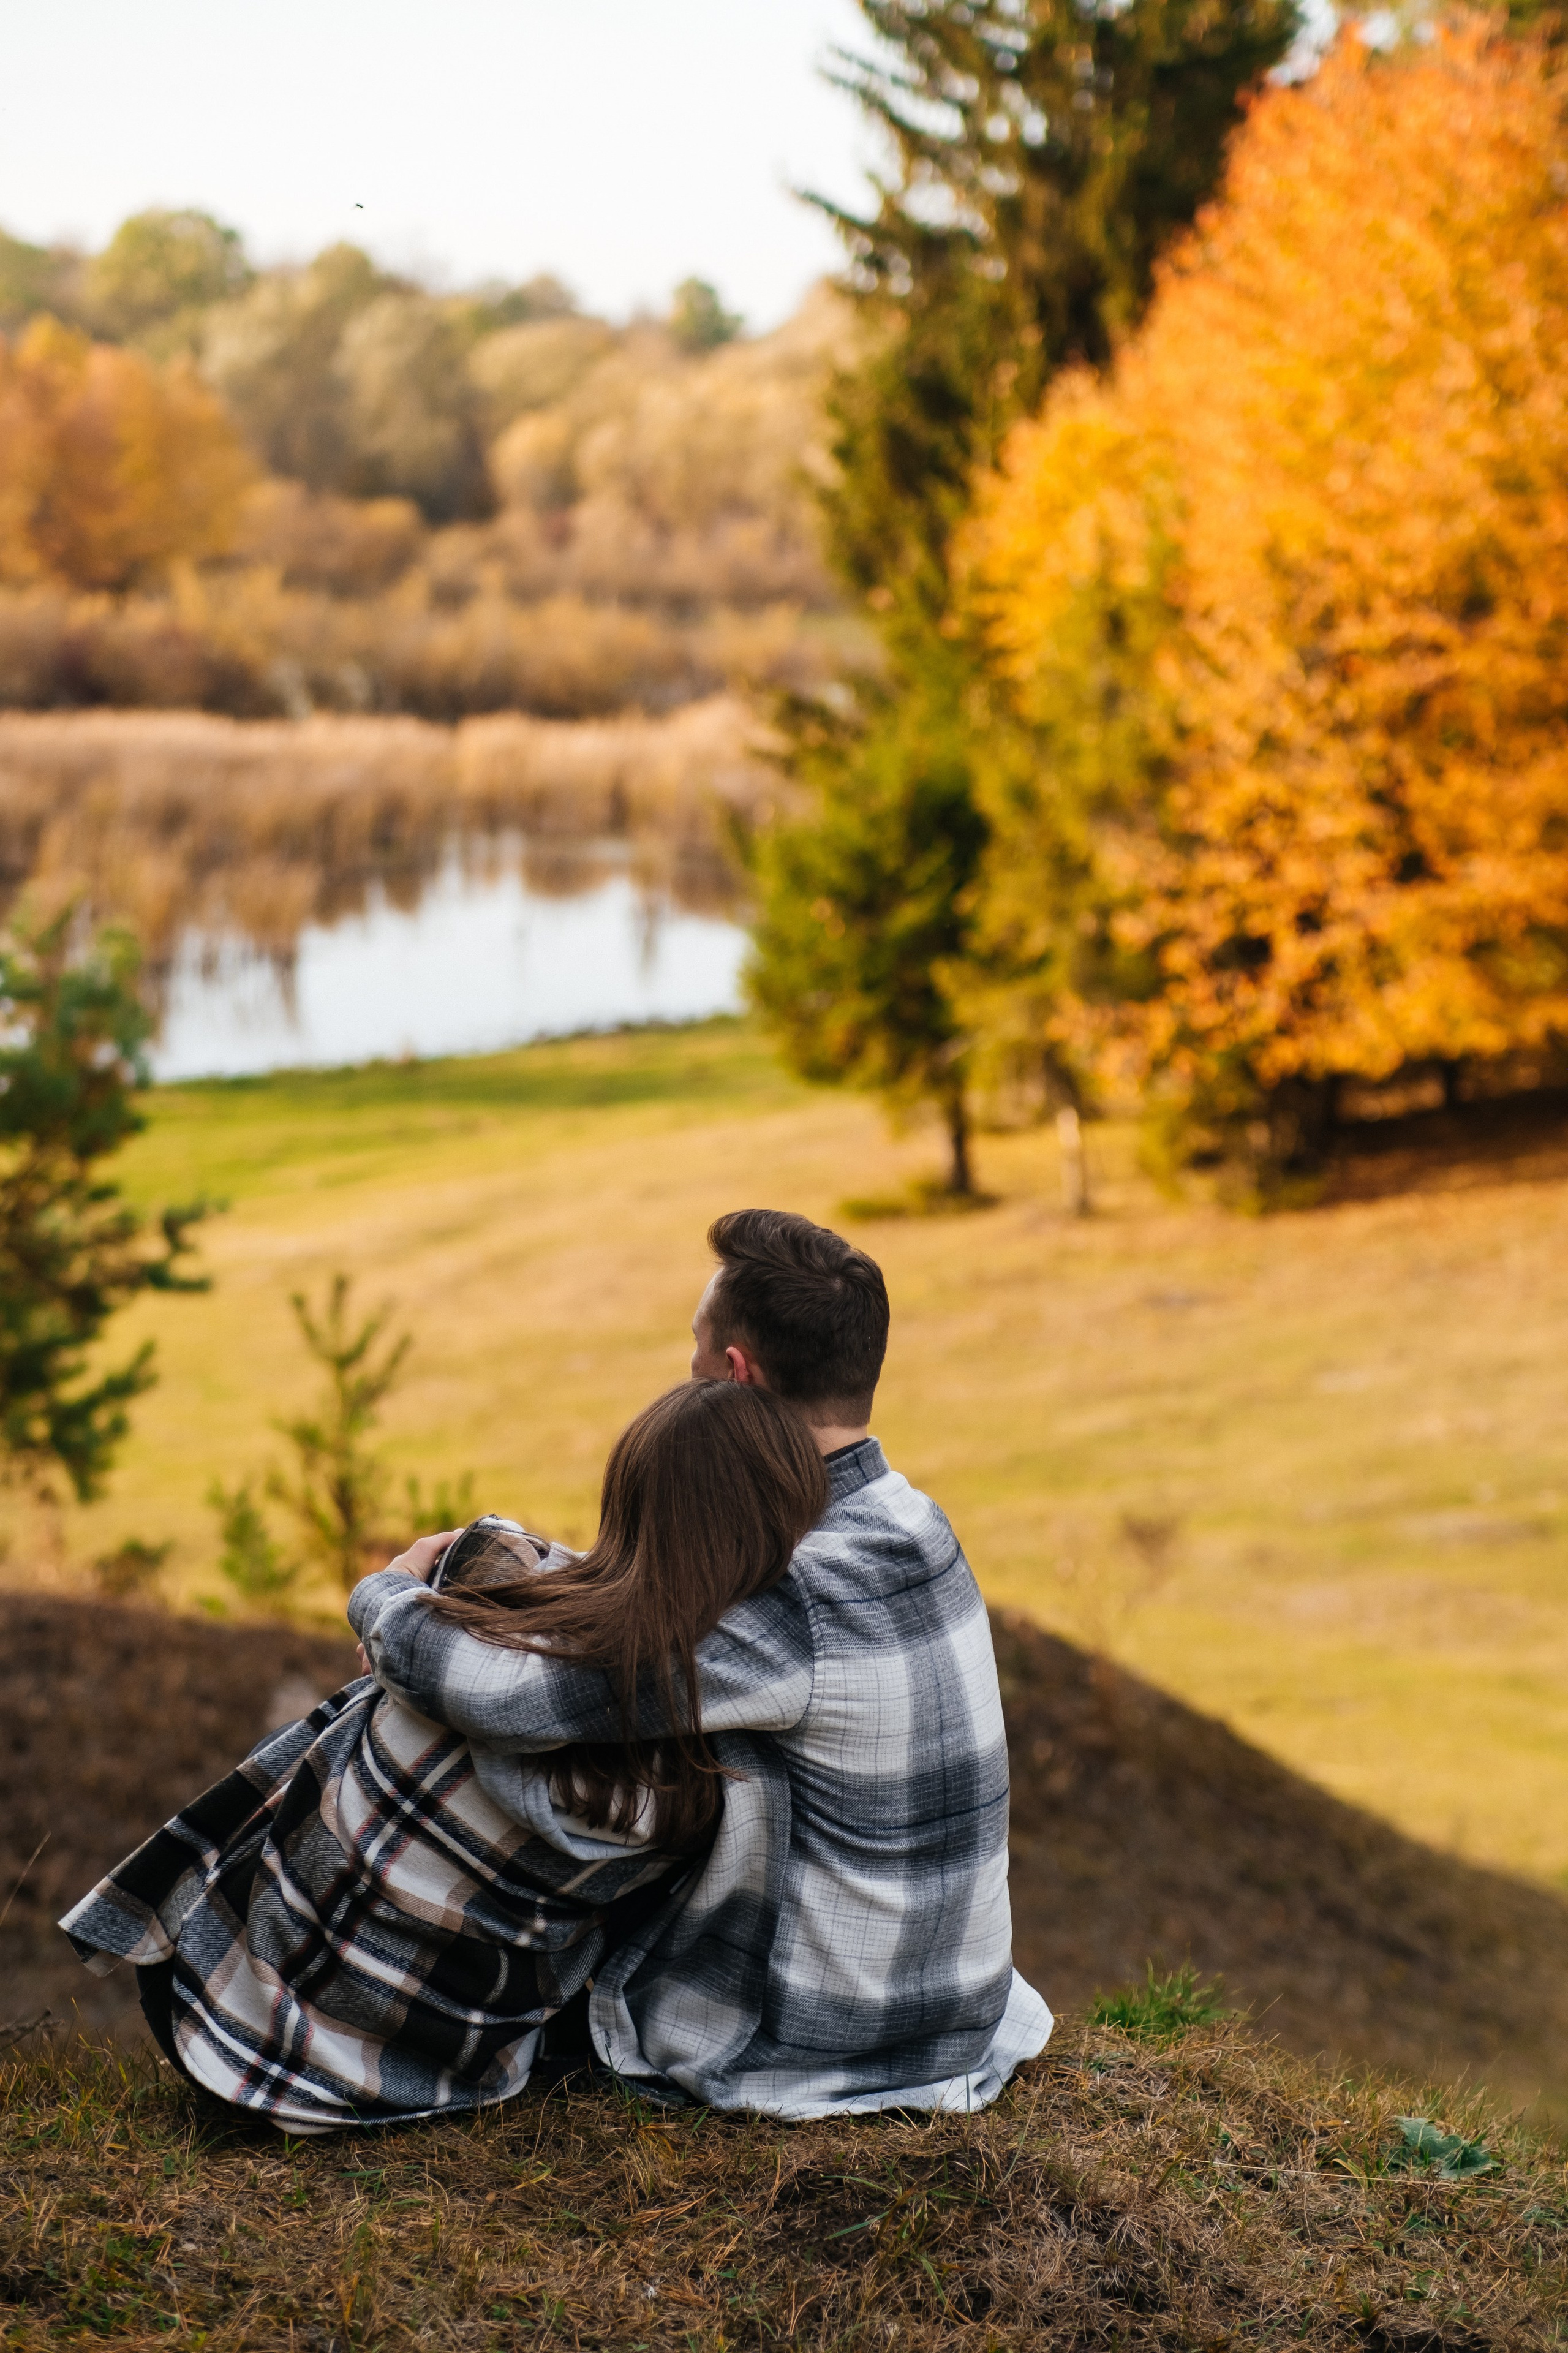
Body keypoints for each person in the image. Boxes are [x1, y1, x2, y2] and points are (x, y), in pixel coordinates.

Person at [353, 1207, 1054, 2117]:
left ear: (736, 1376)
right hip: (952, 2014)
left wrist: (392, 1596)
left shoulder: (786, 1590)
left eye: (695, 1346)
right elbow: (655, 1616)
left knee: (470, 1742)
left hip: (818, 2049)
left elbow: (511, 1699)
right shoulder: (908, 1522)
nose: (684, 1367)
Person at [59, 1381, 826, 2133]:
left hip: (214, 2010)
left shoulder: (497, 1570)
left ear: (627, 1496)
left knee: (352, 1724)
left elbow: (448, 1581)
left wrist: (407, 1582)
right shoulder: (712, 1775)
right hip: (428, 2081)